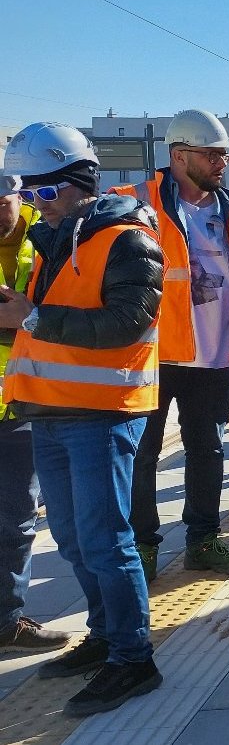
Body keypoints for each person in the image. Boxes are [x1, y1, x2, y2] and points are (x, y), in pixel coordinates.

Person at [0, 122, 163, 716]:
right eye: (31, 196)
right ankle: (104, 636)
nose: (35, 207)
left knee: (105, 539)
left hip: (103, 415)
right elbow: (43, 322)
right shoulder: (56, 243)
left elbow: (126, 324)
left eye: (42, 194)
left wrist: (33, 317)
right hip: (50, 411)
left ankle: (133, 657)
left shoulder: (127, 240)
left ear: (77, 184)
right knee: (72, 538)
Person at [116, 109, 229, 582]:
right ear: (179, 155)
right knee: (141, 456)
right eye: (212, 153)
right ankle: (142, 545)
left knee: (208, 450)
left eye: (225, 153)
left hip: (214, 359)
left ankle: (203, 541)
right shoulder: (134, 204)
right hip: (154, 357)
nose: (222, 161)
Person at [0, 186, 70, 654]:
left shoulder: (50, 236)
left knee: (18, 519)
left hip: (23, 402)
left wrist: (28, 318)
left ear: (15, 194)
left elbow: (77, 312)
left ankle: (7, 621)